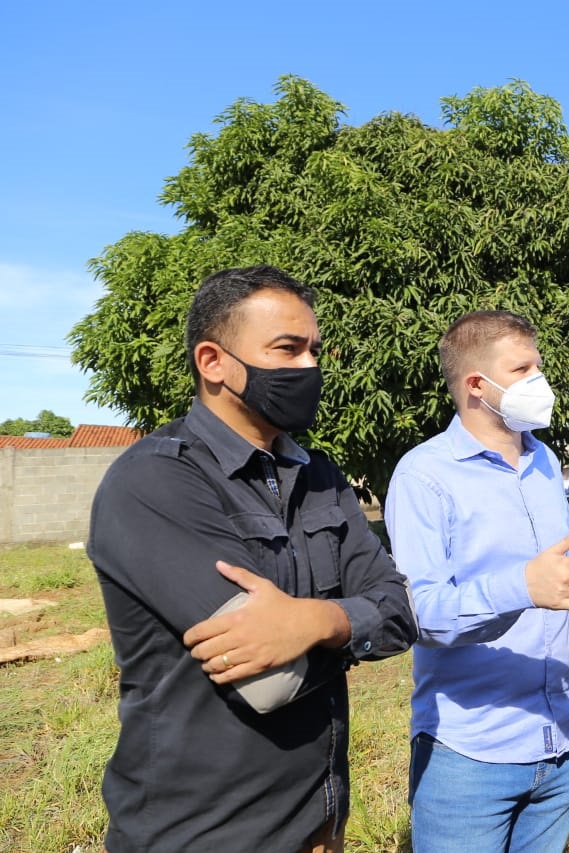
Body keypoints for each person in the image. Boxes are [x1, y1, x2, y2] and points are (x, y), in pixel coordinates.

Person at [86, 266, 416, 853]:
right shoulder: (156, 481)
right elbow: (268, 680)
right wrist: (357, 624)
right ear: (213, 362)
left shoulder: (318, 474)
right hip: (203, 833)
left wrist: (317, 621)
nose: (309, 367)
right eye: (287, 349)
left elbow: (402, 613)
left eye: (314, 351)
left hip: (320, 820)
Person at [385, 310, 569, 853]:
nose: (539, 380)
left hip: (561, 740)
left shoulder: (544, 461)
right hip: (471, 755)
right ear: (477, 384)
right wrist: (521, 587)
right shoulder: (424, 475)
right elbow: (418, 613)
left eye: (537, 367)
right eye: (522, 370)